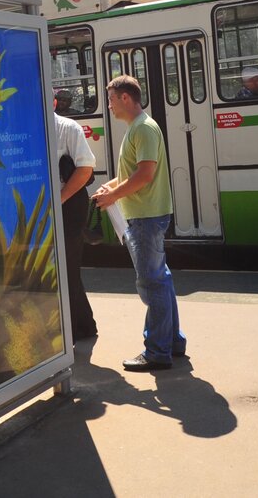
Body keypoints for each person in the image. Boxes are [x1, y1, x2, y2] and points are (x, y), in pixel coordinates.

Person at [92, 75, 186, 372]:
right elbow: (134, 172)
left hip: (145, 216)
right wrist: (113, 188)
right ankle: (172, 342)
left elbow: (145, 175)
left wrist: (113, 197)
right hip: (146, 213)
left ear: (124, 98)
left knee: (151, 283)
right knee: (162, 279)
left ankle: (157, 352)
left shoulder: (142, 129)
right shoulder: (140, 127)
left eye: (110, 99)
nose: (108, 106)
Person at [53, 92, 97, 341]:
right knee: (63, 269)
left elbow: (85, 168)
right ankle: (84, 326)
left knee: (67, 268)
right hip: (50, 205)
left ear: (55, 103)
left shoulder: (68, 128)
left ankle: (70, 333)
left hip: (69, 204)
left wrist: (59, 200)